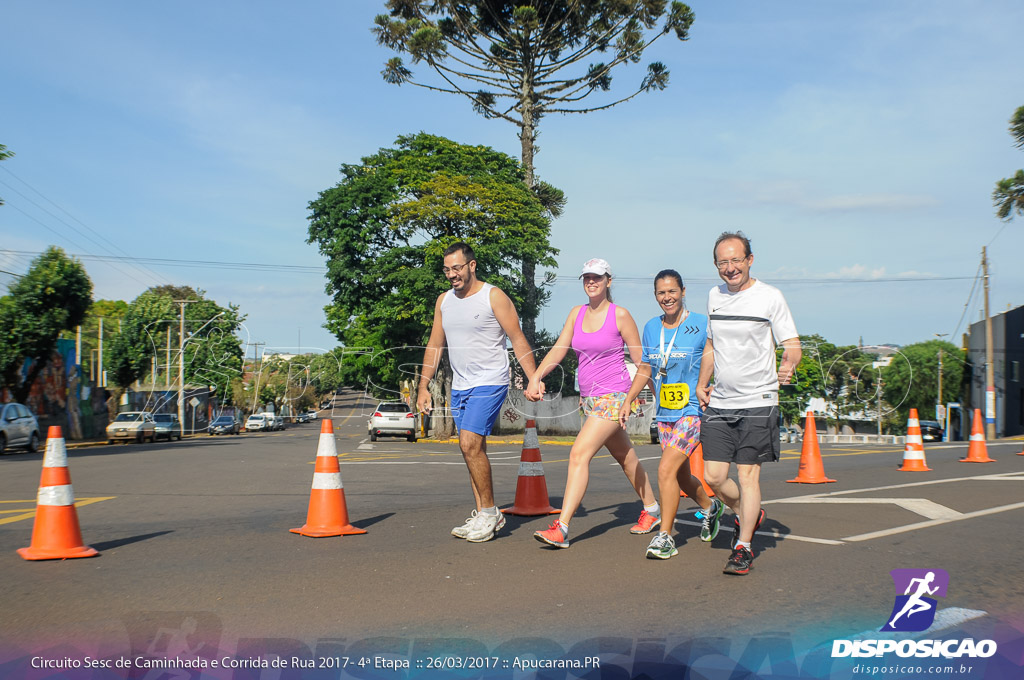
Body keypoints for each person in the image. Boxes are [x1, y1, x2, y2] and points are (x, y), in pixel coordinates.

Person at [527, 258, 660, 548]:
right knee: (626, 457)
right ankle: (652, 509)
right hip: (590, 400)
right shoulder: (576, 314)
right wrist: (536, 376)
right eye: (587, 277)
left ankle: (561, 528)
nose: (591, 281)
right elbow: (559, 349)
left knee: (578, 455)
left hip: (615, 397)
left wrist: (656, 395)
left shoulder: (620, 316)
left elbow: (641, 361)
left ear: (608, 281)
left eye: (597, 277)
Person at [417, 242, 537, 543]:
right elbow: (435, 345)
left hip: (490, 379)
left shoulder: (493, 296)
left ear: (472, 265)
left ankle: (490, 513)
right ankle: (483, 512)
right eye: (446, 270)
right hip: (460, 384)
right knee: (469, 447)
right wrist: (423, 385)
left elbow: (517, 338)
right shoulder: (444, 301)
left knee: (470, 443)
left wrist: (532, 378)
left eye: (456, 268)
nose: (451, 274)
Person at [696, 232, 800, 575]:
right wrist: (702, 382)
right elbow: (711, 344)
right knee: (713, 476)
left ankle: (743, 546)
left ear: (750, 259)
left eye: (736, 260)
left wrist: (788, 363)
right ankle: (748, 512)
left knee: (748, 476)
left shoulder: (770, 297)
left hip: (759, 399)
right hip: (721, 402)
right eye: (722, 262)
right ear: (716, 265)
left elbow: (792, 344)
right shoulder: (713, 296)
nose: (730, 268)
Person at [619, 269, 724, 560]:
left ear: (683, 291)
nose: (667, 298)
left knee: (664, 470)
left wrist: (713, 384)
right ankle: (710, 507)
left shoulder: (702, 325)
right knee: (680, 477)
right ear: (656, 296)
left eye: (672, 291)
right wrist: (629, 398)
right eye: (661, 293)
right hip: (665, 412)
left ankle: (665, 537)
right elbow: (646, 367)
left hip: (692, 411)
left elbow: (717, 356)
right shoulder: (652, 327)